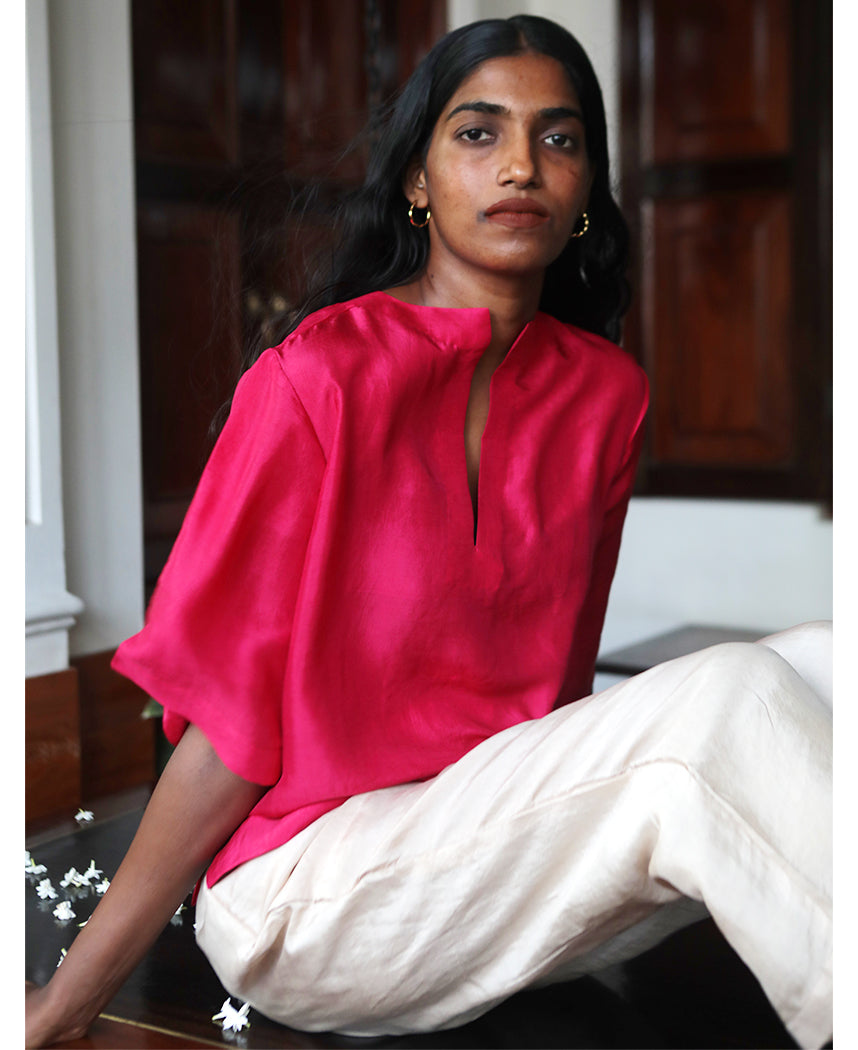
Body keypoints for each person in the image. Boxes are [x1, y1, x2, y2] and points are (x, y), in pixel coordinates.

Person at [25, 14, 832, 1049]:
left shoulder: (606, 397)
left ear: (587, 185)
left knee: (829, 662)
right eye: (479, 133)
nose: (522, 166)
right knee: (727, 699)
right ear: (418, 178)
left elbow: (555, 693)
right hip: (309, 893)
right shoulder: (315, 379)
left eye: (559, 138)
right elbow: (225, 731)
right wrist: (69, 1000)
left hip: (482, 864)